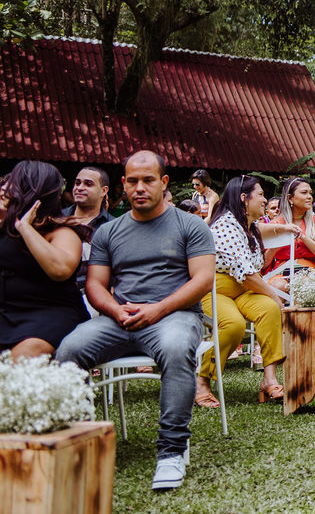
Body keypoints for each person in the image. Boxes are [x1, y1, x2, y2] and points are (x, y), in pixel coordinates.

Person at [57, 150, 216, 490]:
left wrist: (157, 309)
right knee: (69, 349)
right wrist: (115, 310)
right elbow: (95, 284)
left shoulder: (190, 225)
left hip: (174, 316)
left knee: (176, 349)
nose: (140, 187)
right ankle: (79, 440)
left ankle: (171, 451)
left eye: (148, 180)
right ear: (123, 185)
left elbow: (203, 279)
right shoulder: (108, 232)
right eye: (132, 181)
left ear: (164, 182)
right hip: (121, 317)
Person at [195, 176, 292, 408]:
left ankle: (269, 380)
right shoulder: (225, 226)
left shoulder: (248, 225)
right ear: (243, 198)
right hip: (215, 290)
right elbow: (247, 274)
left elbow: (263, 230)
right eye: (260, 195)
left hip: (243, 291)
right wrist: (274, 295)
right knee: (234, 326)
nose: (264, 199)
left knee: (269, 310)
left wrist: (283, 227)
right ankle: (201, 381)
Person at [0, 161, 90, 359]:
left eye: (13, 182)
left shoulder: (61, 231)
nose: (5, 187)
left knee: (22, 357)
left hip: (49, 313)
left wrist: (25, 228)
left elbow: (60, 270)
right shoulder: (5, 228)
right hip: (7, 313)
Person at [262, 178, 315, 284]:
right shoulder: (276, 225)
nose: (309, 197)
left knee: (305, 282)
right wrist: (278, 242)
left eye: (310, 193)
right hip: (281, 273)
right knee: (279, 286)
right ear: (290, 198)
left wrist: (302, 236)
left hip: (311, 273)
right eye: (304, 193)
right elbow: (263, 264)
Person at [62, 166, 114, 294]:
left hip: (98, 296)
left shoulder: (113, 226)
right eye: (77, 183)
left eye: (88, 184)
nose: (80, 188)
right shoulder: (58, 220)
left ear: (104, 191)